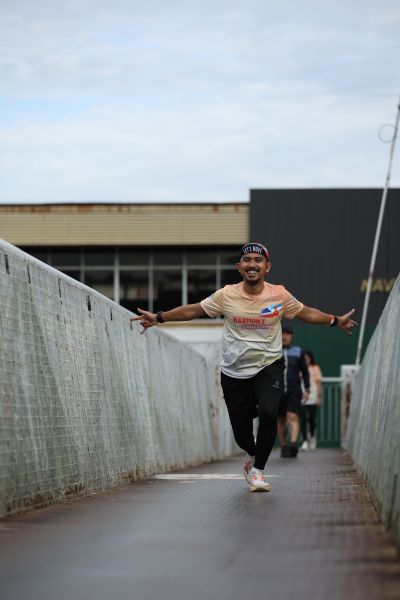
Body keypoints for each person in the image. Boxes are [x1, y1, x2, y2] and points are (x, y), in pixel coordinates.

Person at [130, 242, 357, 493]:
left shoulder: (279, 294)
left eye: (258, 260)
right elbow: (194, 310)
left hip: (269, 365)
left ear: (267, 267)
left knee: (270, 411)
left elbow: (306, 312)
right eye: (247, 260)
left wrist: (334, 321)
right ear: (239, 267)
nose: (252, 264)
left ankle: (258, 470)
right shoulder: (226, 294)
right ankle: (251, 452)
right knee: (242, 433)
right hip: (234, 371)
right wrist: (159, 317)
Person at [277, 326, 310, 458]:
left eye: (288, 334)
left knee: (292, 416)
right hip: (277, 390)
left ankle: (293, 445)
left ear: (292, 336)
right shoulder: (274, 351)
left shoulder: (298, 351)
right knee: (281, 419)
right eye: (283, 333)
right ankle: (283, 446)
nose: (285, 336)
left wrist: (307, 389)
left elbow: (305, 372)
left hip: (294, 390)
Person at [300, 351, 323, 451]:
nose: (306, 360)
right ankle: (305, 441)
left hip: (313, 397)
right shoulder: (299, 368)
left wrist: (319, 397)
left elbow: (318, 383)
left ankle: (312, 436)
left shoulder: (315, 368)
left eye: (307, 358)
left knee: (312, 419)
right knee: (303, 420)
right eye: (304, 359)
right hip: (302, 397)